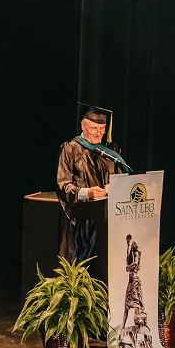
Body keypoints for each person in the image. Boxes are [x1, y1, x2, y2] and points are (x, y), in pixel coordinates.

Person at [56, 104, 129, 262]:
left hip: (106, 218)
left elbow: (122, 179)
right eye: (94, 128)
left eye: (102, 128)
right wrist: (87, 192)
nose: (98, 133)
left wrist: (110, 189)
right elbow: (63, 185)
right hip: (79, 221)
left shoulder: (111, 151)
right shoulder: (70, 149)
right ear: (83, 125)